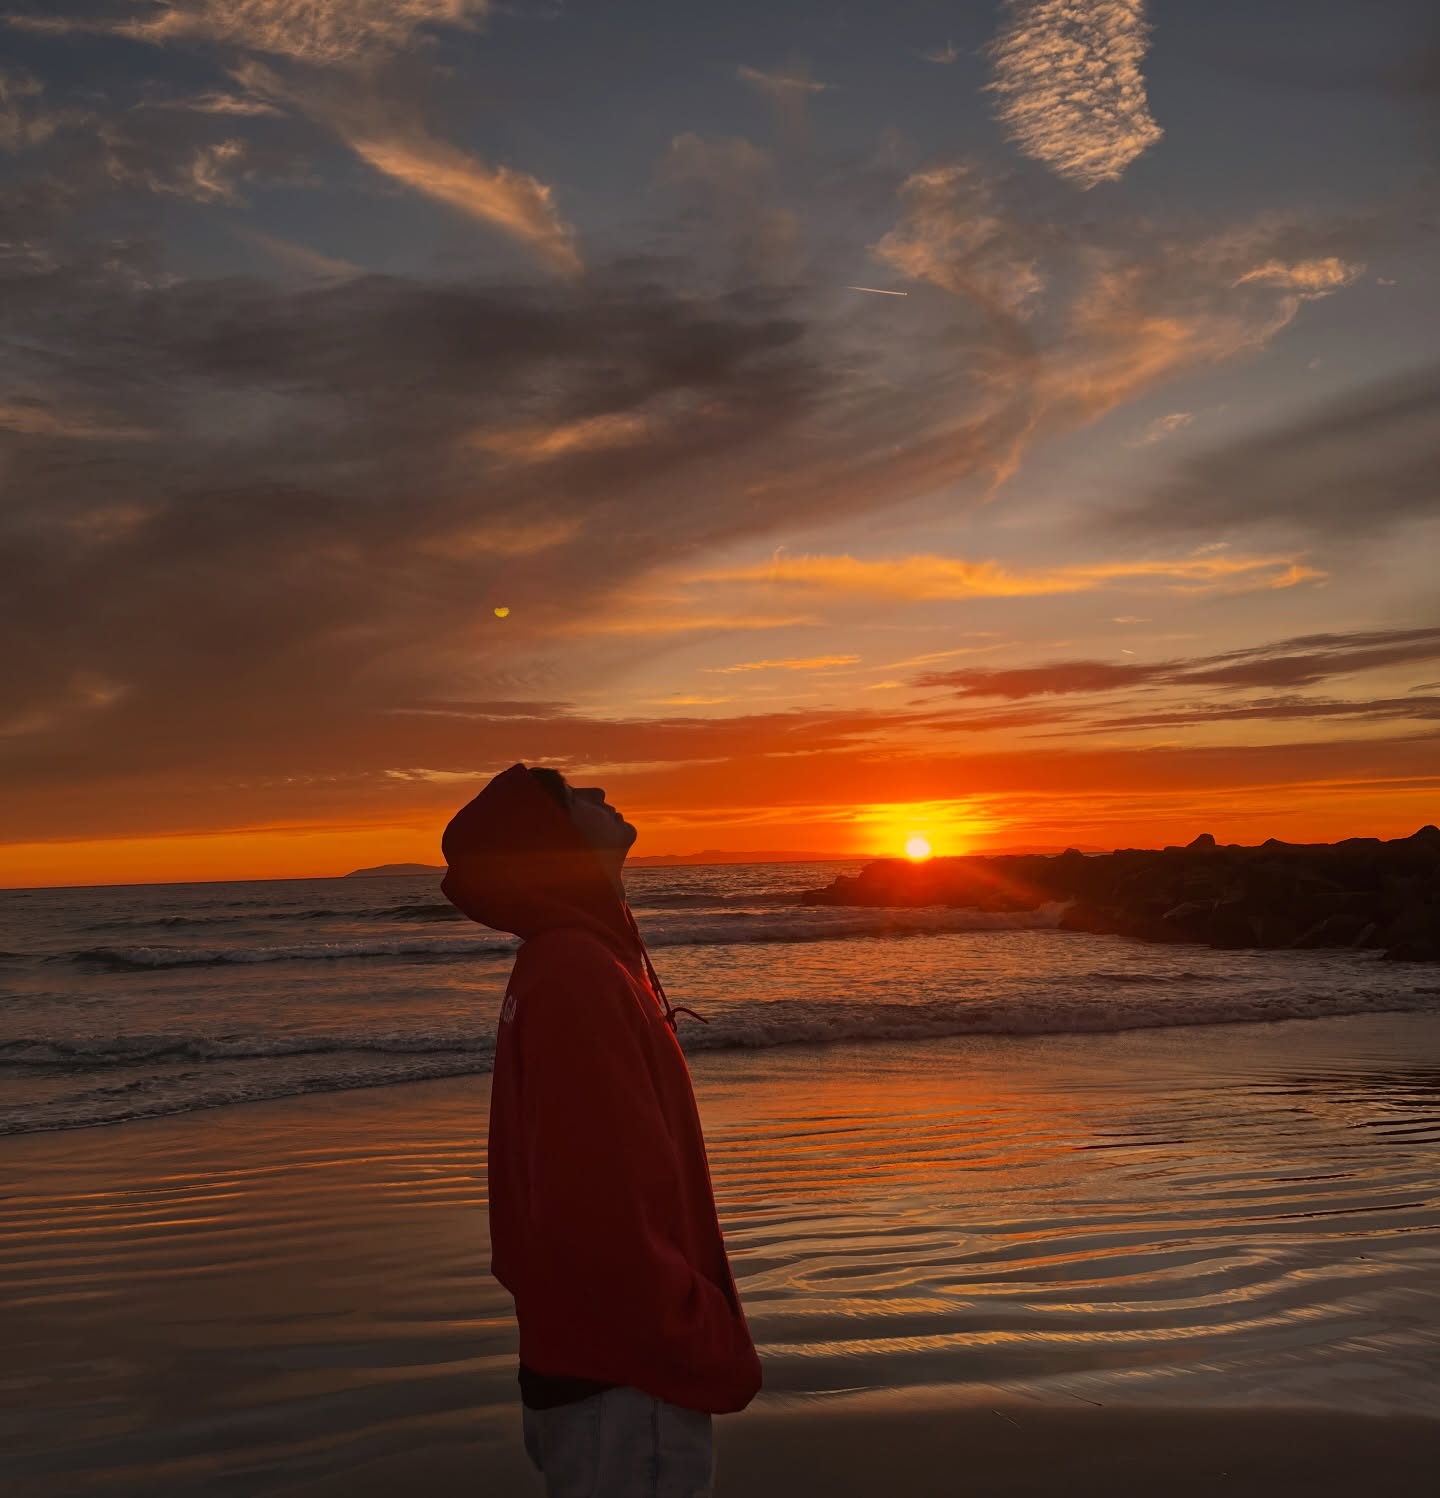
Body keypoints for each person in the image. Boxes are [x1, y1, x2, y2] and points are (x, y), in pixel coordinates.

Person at [440, 763, 762, 1497]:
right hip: (627, 1378)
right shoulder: (574, 971)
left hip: (603, 1365)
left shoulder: (574, 961)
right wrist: (688, 1327)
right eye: (571, 797)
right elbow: (597, 1198)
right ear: (546, 838)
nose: (600, 795)